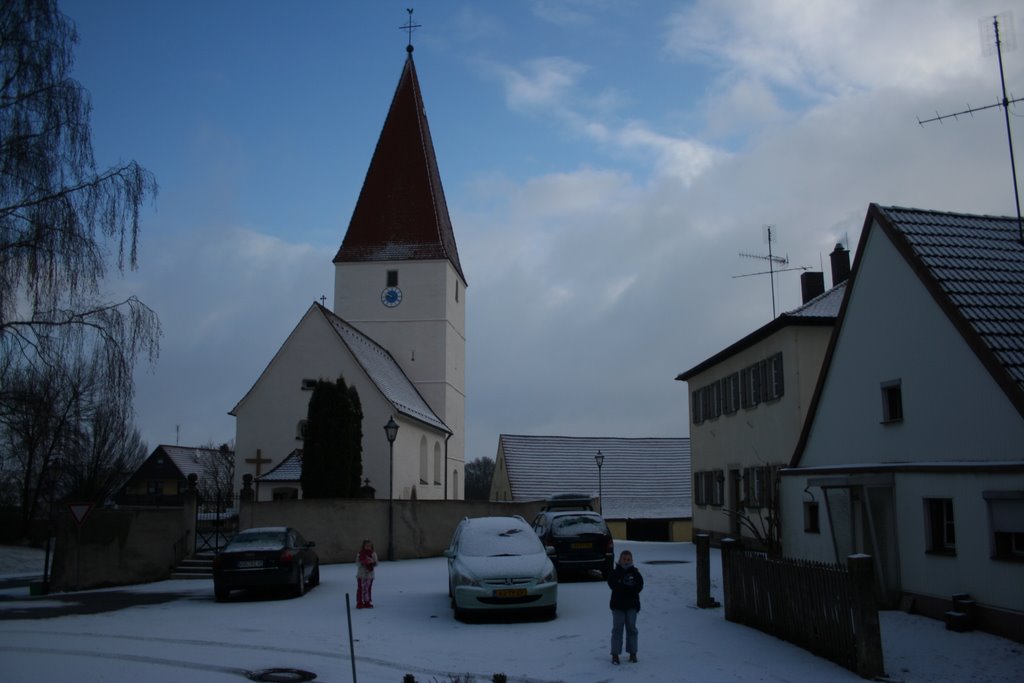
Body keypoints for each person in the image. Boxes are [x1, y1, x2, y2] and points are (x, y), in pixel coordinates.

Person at [607, 549, 643, 664]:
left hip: (632, 606)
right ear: (620, 560)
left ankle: (633, 653)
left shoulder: (635, 573)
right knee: (617, 629)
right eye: (624, 559)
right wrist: (622, 583)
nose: (626, 561)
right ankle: (615, 654)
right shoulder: (615, 572)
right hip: (618, 606)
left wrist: (632, 586)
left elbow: (639, 586)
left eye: (628, 559)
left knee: (632, 629)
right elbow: (612, 584)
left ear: (631, 560)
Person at [356, 539, 378, 609]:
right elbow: (357, 563)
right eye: (366, 546)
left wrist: (372, 562)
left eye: (369, 546)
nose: (368, 547)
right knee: (361, 588)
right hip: (361, 574)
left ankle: (367, 601)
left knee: (367, 588)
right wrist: (362, 562)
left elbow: (376, 563)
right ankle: (359, 602)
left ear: (372, 547)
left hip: (369, 575)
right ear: (363, 546)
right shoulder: (360, 554)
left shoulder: (373, 554)